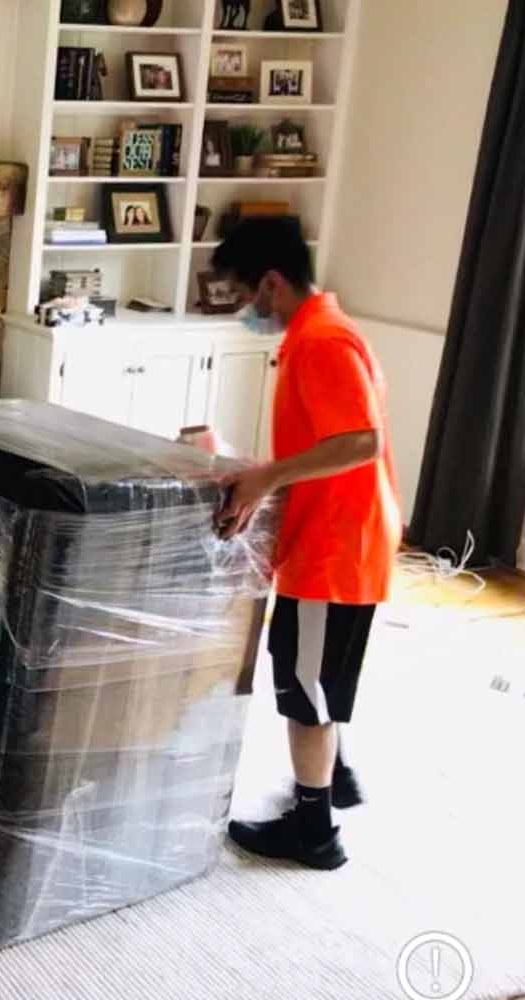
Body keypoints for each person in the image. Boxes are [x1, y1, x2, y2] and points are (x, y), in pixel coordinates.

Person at [212, 216, 400, 870]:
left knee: (305, 686)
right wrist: (266, 480)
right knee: (316, 672)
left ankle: (314, 830)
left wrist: (267, 477)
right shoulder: (323, 330)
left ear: (271, 283)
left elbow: (361, 442)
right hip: (335, 538)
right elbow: (326, 440)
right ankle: (335, 775)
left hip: (334, 549)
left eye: (244, 294)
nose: (244, 308)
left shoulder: (321, 341)